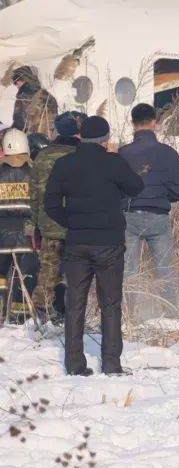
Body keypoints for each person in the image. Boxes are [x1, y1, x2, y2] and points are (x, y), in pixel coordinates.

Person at [43, 116, 143, 376]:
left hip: (77, 242)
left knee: (75, 302)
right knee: (110, 303)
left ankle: (74, 365)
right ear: (105, 139)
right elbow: (136, 186)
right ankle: (111, 364)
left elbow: (51, 204)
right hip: (109, 243)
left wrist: (73, 223)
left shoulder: (64, 164)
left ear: (80, 136)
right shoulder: (113, 162)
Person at [118, 103, 179, 300]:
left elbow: (115, 187)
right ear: (154, 123)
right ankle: (169, 313)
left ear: (132, 123)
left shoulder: (123, 153)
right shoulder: (168, 153)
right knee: (165, 271)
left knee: (129, 272)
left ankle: (129, 315)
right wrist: (164, 197)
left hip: (129, 216)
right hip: (159, 216)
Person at [29, 110, 85, 323]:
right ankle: (70, 313)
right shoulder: (83, 155)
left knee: (47, 272)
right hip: (77, 224)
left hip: (49, 223)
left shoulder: (43, 156)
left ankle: (40, 315)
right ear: (79, 131)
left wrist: (35, 223)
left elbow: (34, 194)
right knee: (77, 274)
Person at [0, 129, 39, 322]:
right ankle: (20, 316)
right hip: (27, 232)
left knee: (0, 276)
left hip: (1, 232)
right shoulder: (34, 171)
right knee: (24, 275)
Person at [11, 66, 58, 135]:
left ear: (24, 79)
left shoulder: (23, 97)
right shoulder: (48, 96)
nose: (16, 85)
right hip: (49, 136)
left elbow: (19, 122)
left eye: (16, 82)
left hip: (30, 138)